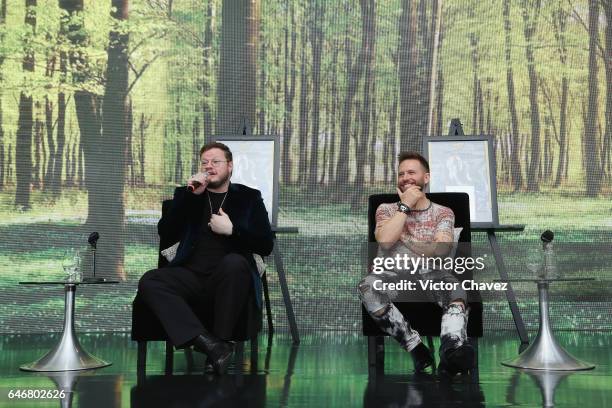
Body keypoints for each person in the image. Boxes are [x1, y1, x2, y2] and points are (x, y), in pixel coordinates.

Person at [137, 142, 274, 375]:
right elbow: (166, 232)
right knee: (150, 280)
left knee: (234, 263)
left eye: (216, 162)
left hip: (228, 278)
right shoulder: (187, 195)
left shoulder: (249, 198)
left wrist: (233, 231)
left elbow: (265, 244)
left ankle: (218, 342)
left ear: (230, 166)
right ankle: (213, 346)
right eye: (205, 162)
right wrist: (191, 197)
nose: (209, 167)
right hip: (190, 276)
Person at [358, 151, 474, 374]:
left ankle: (451, 350)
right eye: (401, 174)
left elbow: (440, 251)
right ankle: (416, 348)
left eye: (412, 172)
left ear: (426, 177)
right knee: (367, 286)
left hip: (433, 274)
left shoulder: (443, 212)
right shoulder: (386, 209)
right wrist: (405, 206)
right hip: (392, 275)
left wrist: (404, 238)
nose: (405, 177)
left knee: (456, 290)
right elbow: (384, 241)